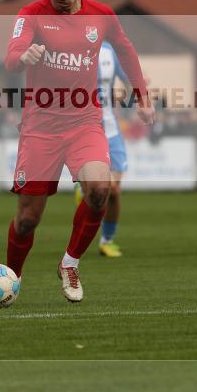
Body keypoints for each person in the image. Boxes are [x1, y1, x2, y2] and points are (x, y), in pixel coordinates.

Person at [4, 0, 153, 302]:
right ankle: (11, 280)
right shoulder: (30, 14)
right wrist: (24, 56)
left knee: (100, 190)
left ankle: (70, 263)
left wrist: (142, 95)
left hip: (85, 122)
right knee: (27, 219)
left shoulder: (101, 15)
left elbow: (126, 50)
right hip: (41, 126)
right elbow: (11, 57)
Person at [75, 40, 131, 257]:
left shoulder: (110, 51)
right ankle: (84, 190)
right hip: (84, 132)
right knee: (103, 189)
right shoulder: (70, 50)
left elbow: (128, 81)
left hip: (111, 131)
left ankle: (106, 241)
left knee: (114, 192)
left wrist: (132, 91)